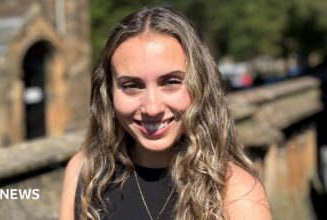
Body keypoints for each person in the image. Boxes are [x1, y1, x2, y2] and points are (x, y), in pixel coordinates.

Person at [60, 6, 271, 220]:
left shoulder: (237, 194)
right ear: (108, 92)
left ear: (201, 85)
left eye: (171, 82)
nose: (152, 108)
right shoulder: (85, 173)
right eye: (132, 85)